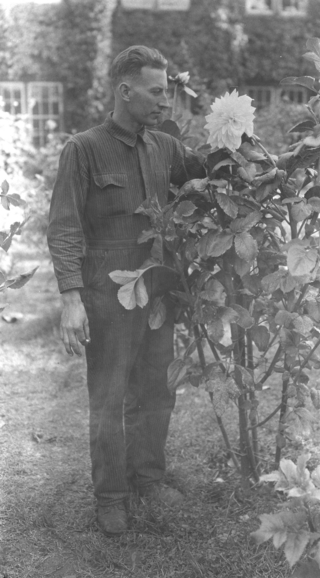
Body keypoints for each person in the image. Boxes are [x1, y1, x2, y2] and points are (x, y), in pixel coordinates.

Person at [47, 45, 205, 536]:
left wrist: (243, 146)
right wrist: (71, 298)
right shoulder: (84, 148)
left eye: (167, 93)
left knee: (156, 391)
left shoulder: (165, 147)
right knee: (109, 396)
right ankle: (111, 496)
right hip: (106, 291)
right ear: (124, 90)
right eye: (157, 92)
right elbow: (65, 226)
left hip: (157, 287)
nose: (165, 102)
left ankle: (148, 478)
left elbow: (208, 177)